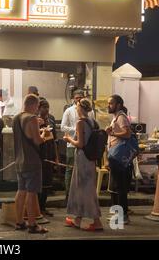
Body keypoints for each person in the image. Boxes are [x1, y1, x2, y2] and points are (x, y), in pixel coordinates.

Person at [63, 98, 103, 231]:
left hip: (82, 157)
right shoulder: (92, 121)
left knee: (85, 189)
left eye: (77, 106)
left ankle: (96, 221)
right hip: (90, 158)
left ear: (80, 108)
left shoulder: (80, 122)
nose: (76, 107)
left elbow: (80, 144)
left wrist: (68, 138)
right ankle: (77, 219)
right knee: (83, 188)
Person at [13, 94, 48, 234]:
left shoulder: (17, 118)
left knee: (21, 191)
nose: (38, 109)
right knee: (32, 193)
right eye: (38, 106)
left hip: (19, 160)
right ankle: (33, 225)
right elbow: (37, 140)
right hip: (32, 161)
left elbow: (26, 135)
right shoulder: (32, 118)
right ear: (34, 104)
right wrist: (44, 134)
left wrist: (36, 128)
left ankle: (19, 221)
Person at [61, 89, 93, 202]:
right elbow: (63, 127)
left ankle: (80, 198)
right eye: (76, 97)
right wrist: (76, 130)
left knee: (82, 173)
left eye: (80, 97)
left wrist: (79, 131)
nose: (78, 99)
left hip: (85, 148)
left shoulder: (90, 113)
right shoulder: (69, 111)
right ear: (73, 98)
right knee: (70, 171)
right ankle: (69, 196)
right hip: (71, 147)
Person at [106, 94, 132, 225]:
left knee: (120, 187)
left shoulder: (121, 117)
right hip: (114, 156)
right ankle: (119, 214)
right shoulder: (116, 117)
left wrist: (113, 133)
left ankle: (124, 216)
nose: (108, 105)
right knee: (117, 187)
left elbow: (127, 134)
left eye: (111, 103)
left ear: (119, 105)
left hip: (119, 157)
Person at [37, 98, 58, 218]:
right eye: (44, 107)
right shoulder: (36, 121)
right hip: (40, 154)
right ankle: (37, 209)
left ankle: (43, 208)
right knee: (39, 183)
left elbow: (54, 140)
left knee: (47, 183)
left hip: (49, 154)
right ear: (39, 108)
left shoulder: (51, 120)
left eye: (47, 107)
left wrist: (56, 157)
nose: (46, 110)